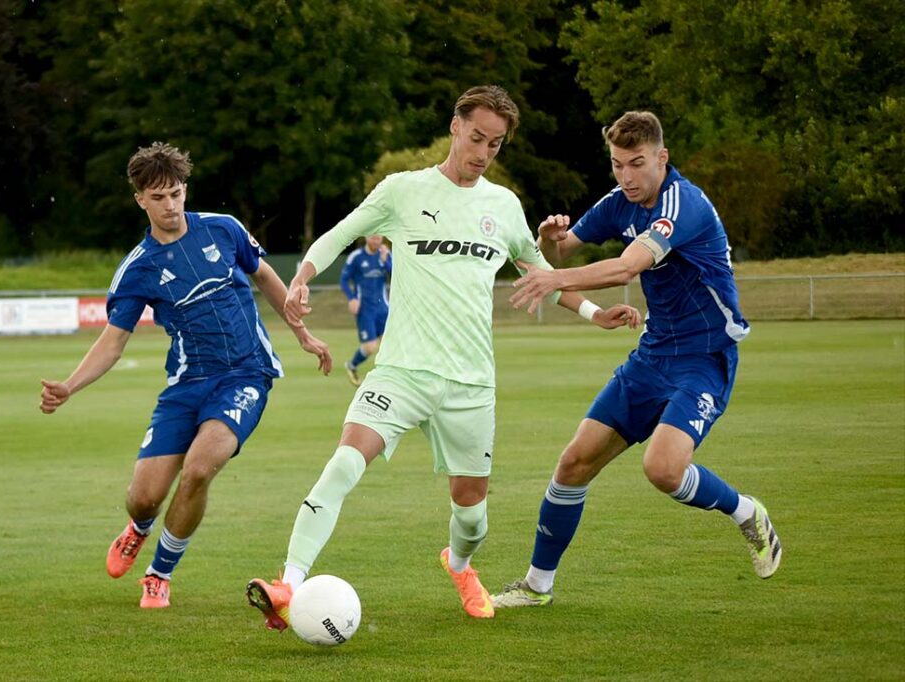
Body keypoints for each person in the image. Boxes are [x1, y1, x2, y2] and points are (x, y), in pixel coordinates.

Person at [245, 85, 641, 629]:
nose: (482, 152)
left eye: (495, 144)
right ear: (454, 127)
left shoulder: (502, 207)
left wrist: (598, 314)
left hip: (470, 385)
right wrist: (302, 278)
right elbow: (339, 234)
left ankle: (459, 564)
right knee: (342, 464)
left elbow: (543, 279)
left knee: (472, 515)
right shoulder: (403, 191)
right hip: (402, 372)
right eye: (476, 137)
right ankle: (288, 584)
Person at [493, 111, 782, 609]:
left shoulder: (681, 204)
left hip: (703, 358)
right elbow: (560, 252)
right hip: (651, 356)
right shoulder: (620, 202)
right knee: (573, 463)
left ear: (661, 158)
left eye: (636, 164)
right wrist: (547, 237)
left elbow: (628, 265)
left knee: (663, 470)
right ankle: (537, 586)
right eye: (617, 164)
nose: (626, 176)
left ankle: (746, 512)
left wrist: (555, 280)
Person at [39, 142, 332, 609]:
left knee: (198, 469)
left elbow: (266, 279)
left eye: (176, 193)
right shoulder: (139, 269)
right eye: (159, 198)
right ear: (140, 199)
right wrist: (70, 386)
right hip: (186, 385)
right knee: (143, 498)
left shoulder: (224, 229)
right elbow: (114, 340)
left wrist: (303, 334)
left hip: (245, 375)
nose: (171, 205)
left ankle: (159, 574)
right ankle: (137, 529)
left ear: (185, 189)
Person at [339, 234, 392, 386]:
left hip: (383, 308)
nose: (375, 241)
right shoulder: (356, 257)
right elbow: (343, 280)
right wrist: (352, 298)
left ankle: (387, 379)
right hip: (365, 309)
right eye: (372, 238)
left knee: (390, 345)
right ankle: (352, 365)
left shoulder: (386, 255)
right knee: (370, 347)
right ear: (367, 238)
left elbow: (395, 274)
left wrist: (385, 261)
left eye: (378, 238)